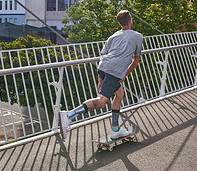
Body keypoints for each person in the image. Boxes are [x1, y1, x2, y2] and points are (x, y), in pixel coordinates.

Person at [59, 10, 143, 139]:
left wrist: (100, 79)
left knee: (119, 94)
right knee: (102, 102)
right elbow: (136, 60)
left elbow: (103, 55)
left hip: (103, 67)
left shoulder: (113, 36)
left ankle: (115, 129)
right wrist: (124, 74)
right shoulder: (138, 36)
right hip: (114, 72)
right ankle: (69, 115)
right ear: (130, 21)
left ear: (120, 23)